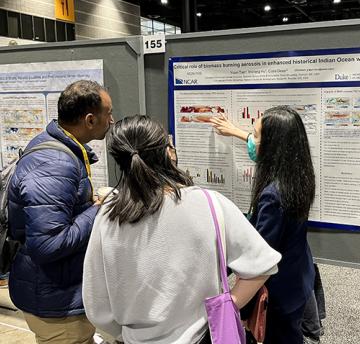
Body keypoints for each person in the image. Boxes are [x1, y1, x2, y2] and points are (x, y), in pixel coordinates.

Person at [82, 115, 281, 344]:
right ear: (167, 153)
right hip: (201, 336)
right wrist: (227, 305)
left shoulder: (107, 216)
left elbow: (96, 304)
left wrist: (125, 334)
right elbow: (263, 264)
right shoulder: (208, 202)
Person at [8, 80, 114, 344]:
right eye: (108, 114)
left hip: (55, 293)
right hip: (57, 304)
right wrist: (98, 210)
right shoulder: (56, 164)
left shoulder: (58, 147)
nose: (112, 120)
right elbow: (47, 244)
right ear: (90, 119)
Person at [211, 106, 316, 344]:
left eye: (256, 136)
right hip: (297, 274)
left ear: (274, 146)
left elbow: (259, 254)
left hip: (279, 290)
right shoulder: (299, 176)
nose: (252, 141)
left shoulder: (273, 195)